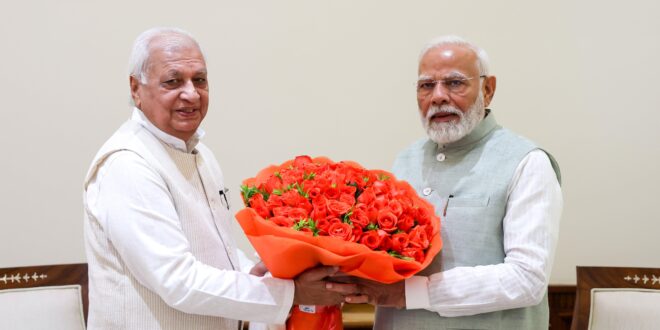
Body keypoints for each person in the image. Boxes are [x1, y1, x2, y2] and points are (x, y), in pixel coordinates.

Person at [83, 27, 356, 329]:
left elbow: (220, 254)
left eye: (199, 80)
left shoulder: (202, 155)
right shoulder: (128, 164)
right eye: (173, 81)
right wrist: (289, 293)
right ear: (136, 89)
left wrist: (269, 272)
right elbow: (178, 280)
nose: (191, 93)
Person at [340, 36, 563, 329]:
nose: (438, 96)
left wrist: (412, 294)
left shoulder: (527, 162)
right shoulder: (405, 160)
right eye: (426, 85)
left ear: (488, 89)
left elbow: (527, 279)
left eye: (455, 83)